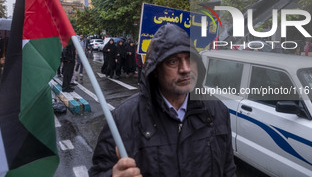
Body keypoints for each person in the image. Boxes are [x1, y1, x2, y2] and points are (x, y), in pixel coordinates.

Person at [89, 24, 236, 177]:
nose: (185, 69)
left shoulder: (217, 110)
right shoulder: (123, 119)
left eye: (190, 59)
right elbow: (99, 171)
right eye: (173, 61)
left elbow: (228, 169)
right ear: (155, 71)